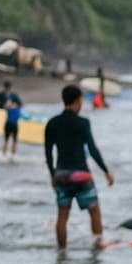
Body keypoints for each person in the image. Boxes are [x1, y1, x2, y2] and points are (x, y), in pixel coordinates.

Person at [42, 82, 115, 247]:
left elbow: (47, 152)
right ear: (78, 100)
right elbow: (93, 150)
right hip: (81, 174)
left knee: (62, 216)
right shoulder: (83, 123)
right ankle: (98, 247)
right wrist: (106, 171)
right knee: (94, 212)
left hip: (61, 174)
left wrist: (52, 174)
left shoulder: (52, 123)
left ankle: (61, 253)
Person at [0, 80, 23, 161]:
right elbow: (20, 107)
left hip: (9, 123)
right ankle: (11, 156)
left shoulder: (10, 98)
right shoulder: (12, 99)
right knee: (11, 140)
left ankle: (5, 155)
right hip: (12, 124)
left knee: (8, 140)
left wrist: (5, 106)